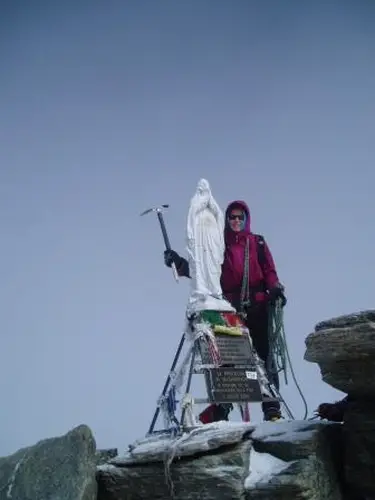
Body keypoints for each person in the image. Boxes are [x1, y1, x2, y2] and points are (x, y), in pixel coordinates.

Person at [164, 200, 287, 422]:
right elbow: (203, 271)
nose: (236, 221)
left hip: (258, 307)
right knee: (228, 359)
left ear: (246, 219)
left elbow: (269, 270)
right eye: (232, 217)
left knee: (264, 358)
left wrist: (275, 288)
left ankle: (272, 409)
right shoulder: (219, 246)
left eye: (240, 217)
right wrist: (179, 263)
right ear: (226, 219)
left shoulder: (257, 243)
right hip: (230, 311)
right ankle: (222, 409)